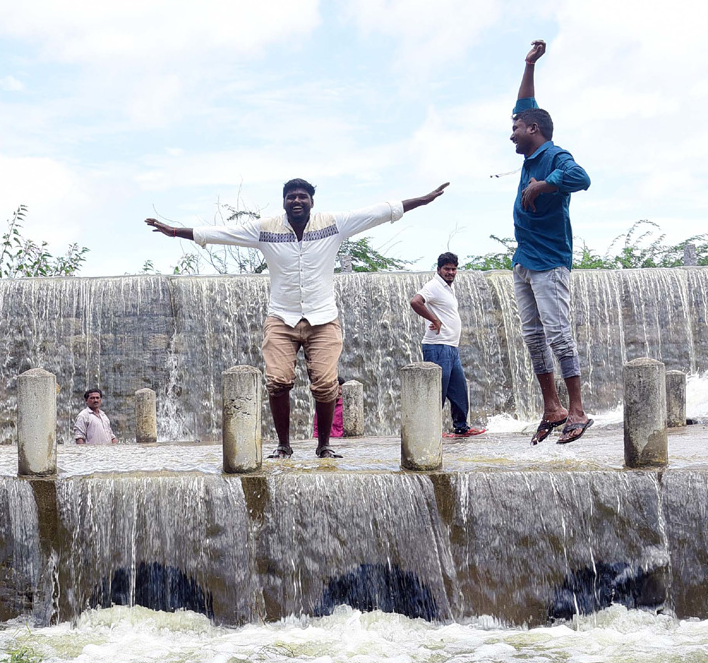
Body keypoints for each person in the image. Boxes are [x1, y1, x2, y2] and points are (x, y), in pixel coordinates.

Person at [146, 178, 448, 458]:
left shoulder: (333, 225)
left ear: (312, 202)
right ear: (284, 203)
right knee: (277, 381)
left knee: (327, 385)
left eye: (303, 196)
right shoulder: (265, 229)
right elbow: (220, 233)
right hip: (281, 318)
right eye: (291, 197)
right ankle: (283, 445)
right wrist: (174, 232)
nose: (297, 201)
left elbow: (380, 212)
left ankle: (324, 446)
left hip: (324, 319)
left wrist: (423, 199)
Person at [510, 40, 593, 444]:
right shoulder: (528, 154)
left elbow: (583, 179)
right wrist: (529, 66)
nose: (511, 133)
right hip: (524, 262)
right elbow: (526, 102)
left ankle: (577, 409)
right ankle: (552, 407)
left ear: (534, 131)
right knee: (532, 336)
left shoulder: (556, 157)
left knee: (558, 334)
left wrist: (546, 184)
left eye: (516, 127)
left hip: (551, 263)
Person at [411, 254, 486, 439]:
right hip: (437, 346)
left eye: (453, 269)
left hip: (451, 348)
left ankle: (461, 427)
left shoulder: (447, 288)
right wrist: (434, 319)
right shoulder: (434, 286)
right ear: (439, 270)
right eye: (447, 269)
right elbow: (415, 301)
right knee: (437, 391)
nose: (451, 272)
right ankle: (430, 429)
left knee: (459, 390)